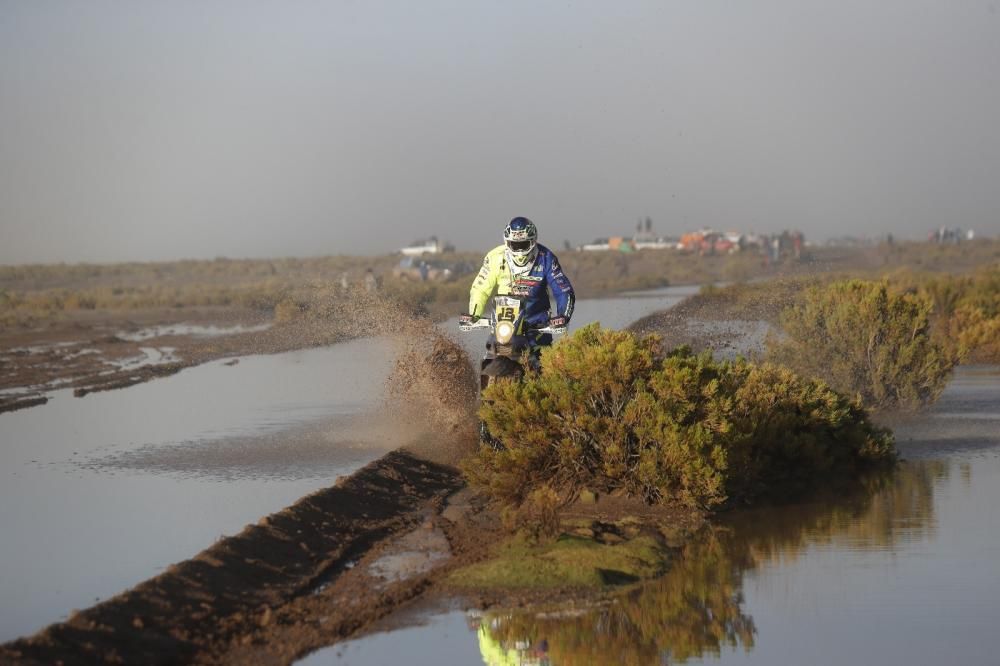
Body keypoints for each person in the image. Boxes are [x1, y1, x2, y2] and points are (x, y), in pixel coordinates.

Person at [465, 216, 575, 344]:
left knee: (544, 360)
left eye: (523, 244)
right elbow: (480, 289)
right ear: (507, 242)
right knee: (489, 354)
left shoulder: (547, 258)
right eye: (515, 245)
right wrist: (474, 314)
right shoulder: (494, 257)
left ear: (533, 241)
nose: (520, 250)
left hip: (537, 328)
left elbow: (563, 290)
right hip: (503, 326)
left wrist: (563, 316)